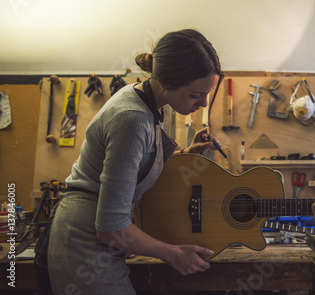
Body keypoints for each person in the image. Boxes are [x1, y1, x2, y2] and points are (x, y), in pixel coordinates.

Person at [39, 29, 224, 294]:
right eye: (195, 95)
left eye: (208, 93)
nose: (204, 103)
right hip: (84, 242)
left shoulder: (144, 101)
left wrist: (185, 156)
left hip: (98, 236)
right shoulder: (133, 118)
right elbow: (111, 229)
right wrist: (173, 253)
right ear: (165, 82)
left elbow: (135, 165)